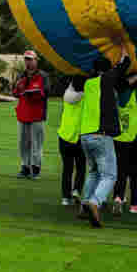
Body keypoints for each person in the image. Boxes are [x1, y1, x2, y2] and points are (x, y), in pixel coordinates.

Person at [78, 43, 130, 228]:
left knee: (93, 172)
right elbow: (123, 66)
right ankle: (95, 202)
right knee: (109, 175)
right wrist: (124, 52)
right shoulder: (105, 80)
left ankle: (85, 204)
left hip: (85, 136)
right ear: (106, 71)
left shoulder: (88, 83)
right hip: (101, 135)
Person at [112, 72, 137, 215]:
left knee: (120, 171)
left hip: (120, 137)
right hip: (136, 136)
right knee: (135, 172)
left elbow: (119, 84)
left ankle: (118, 197)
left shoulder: (120, 92)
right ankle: (135, 204)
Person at [12, 50, 50, 179]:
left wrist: (33, 92)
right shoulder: (20, 76)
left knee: (36, 143)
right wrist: (20, 88)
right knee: (23, 143)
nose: (28, 62)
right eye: (26, 59)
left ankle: (36, 168)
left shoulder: (43, 76)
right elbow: (15, 92)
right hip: (23, 113)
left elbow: (46, 92)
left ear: (36, 60)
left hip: (37, 114)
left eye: (30, 59)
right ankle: (25, 167)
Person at [59, 75, 87, 206]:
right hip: (80, 138)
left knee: (67, 169)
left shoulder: (67, 95)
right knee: (81, 167)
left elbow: (71, 85)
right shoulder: (86, 97)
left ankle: (65, 197)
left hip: (64, 136)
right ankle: (76, 190)